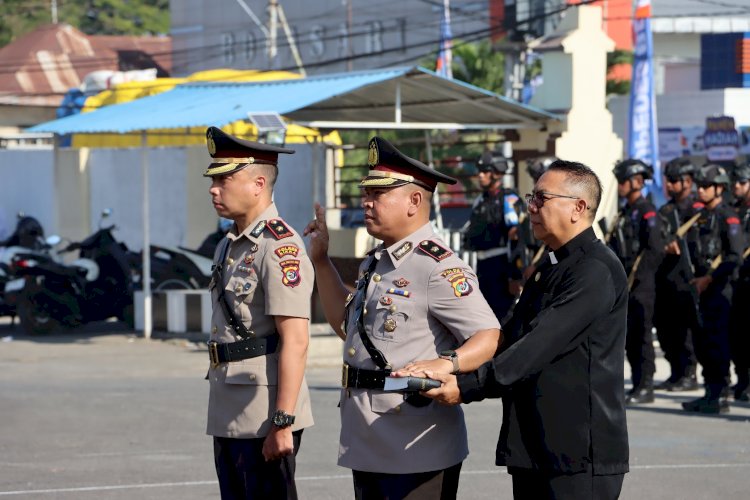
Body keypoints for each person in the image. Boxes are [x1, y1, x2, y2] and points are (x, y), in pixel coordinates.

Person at [404, 160, 629, 499]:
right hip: (537, 446)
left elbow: (537, 345)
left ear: (578, 208)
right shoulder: (551, 266)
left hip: (578, 454)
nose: (532, 207)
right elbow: (507, 335)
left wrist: (466, 387)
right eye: (531, 197)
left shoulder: (594, 270)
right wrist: (448, 363)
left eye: (542, 198)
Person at [304, 136, 501, 499]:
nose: (366, 201)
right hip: (368, 439)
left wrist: (447, 364)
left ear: (414, 201)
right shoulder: (378, 262)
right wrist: (321, 261)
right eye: (367, 192)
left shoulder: (437, 266)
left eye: (379, 194)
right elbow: (349, 328)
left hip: (416, 448)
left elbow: (488, 336)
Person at [203, 126, 314, 499]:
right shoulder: (228, 245)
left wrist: (283, 421)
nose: (213, 189)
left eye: (223, 180)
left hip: (265, 412)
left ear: (258, 183)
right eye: (212, 180)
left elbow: (295, 341)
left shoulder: (280, 247)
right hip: (228, 405)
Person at [681, 164, 744, 414]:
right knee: (703, 343)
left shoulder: (728, 217)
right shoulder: (700, 217)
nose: (701, 190)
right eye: (700, 186)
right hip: (700, 290)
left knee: (718, 344)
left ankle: (720, 394)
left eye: (706, 186)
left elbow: (734, 256)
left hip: (720, 291)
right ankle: (710, 391)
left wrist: (710, 278)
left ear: (720, 188)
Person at [609, 159, 664, 405]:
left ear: (637, 182)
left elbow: (654, 250)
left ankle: (646, 385)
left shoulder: (647, 211)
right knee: (630, 337)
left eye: (623, 181)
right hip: (626, 285)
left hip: (641, 285)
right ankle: (637, 382)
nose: (620, 186)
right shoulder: (624, 212)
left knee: (641, 336)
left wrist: (636, 278)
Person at [653, 157, 702, 392]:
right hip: (666, 279)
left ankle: (689, 374)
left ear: (688, 181)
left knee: (685, 332)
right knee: (666, 330)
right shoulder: (666, 210)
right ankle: (675, 372)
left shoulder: (699, 210)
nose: (669, 185)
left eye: (674, 180)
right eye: (667, 180)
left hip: (687, 279)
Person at [462, 150, 523, 321]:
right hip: (482, 266)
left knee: (502, 317)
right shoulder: (480, 200)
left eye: (485, 171)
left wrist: (515, 275)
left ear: (497, 173)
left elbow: (517, 238)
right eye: (479, 171)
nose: (480, 175)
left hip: (502, 267)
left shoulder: (508, 199)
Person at [729, 162, 750, 401]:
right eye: (735, 182)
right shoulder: (733, 211)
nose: (737, 186)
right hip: (736, 281)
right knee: (737, 336)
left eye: (742, 182)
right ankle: (742, 380)